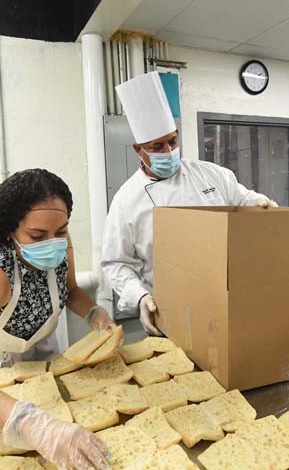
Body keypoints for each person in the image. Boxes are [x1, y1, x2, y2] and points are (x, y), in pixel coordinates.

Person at [0, 169, 112, 470]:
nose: (53, 242)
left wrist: (94, 314)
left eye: (60, 231)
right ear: (11, 230)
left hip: (47, 357)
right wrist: (35, 425)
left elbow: (70, 290)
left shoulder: (60, 243)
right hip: (1, 375)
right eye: (37, 236)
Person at [101, 71, 276, 336]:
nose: (169, 151)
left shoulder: (213, 174)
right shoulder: (126, 200)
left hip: (227, 299)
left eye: (173, 141)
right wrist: (139, 297)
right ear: (139, 149)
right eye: (157, 146)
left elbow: (242, 201)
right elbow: (116, 263)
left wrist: (260, 204)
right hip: (168, 311)